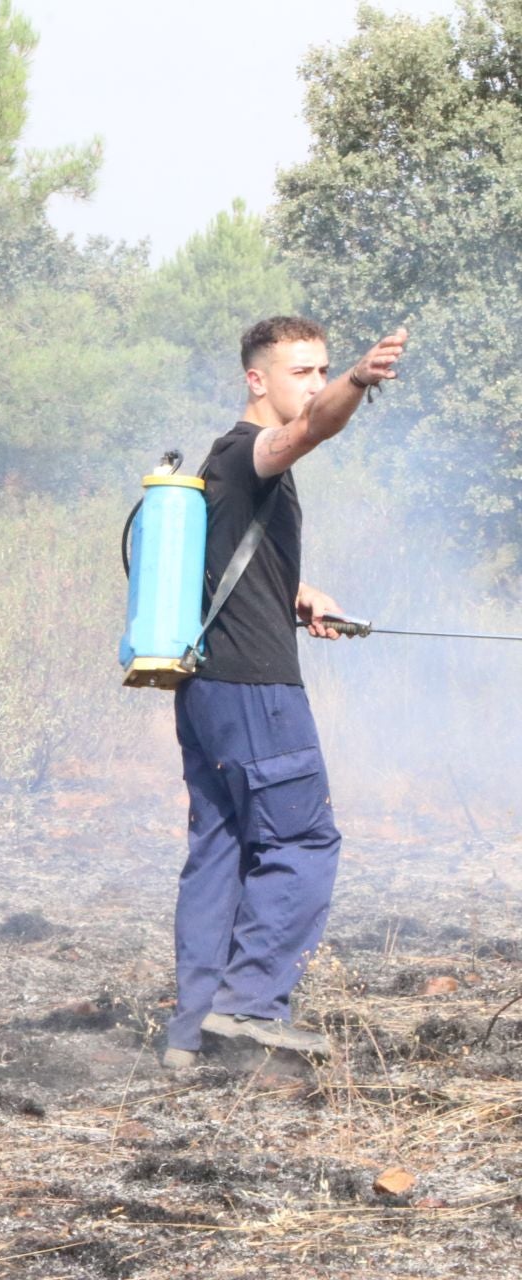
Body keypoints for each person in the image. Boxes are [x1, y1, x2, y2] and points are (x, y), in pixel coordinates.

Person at [162, 316, 408, 1070]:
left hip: (208, 690)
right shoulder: (252, 451)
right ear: (256, 379)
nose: (313, 383)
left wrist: (296, 592)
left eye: (323, 369)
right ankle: (251, 1008)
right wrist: (357, 383)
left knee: (223, 849)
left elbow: (225, 560)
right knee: (301, 842)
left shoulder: (221, 466)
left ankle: (192, 1034)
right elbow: (307, 432)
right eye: (301, 371)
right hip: (257, 689)